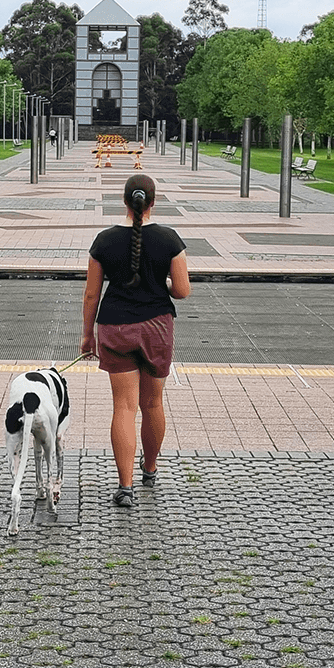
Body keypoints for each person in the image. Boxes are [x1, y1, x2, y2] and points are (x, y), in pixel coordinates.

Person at [80, 172, 191, 507]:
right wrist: (162, 286)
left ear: (124, 202)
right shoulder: (171, 240)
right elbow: (183, 291)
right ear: (153, 202)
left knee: (124, 407)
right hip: (157, 327)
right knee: (153, 403)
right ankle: (151, 468)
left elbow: (90, 295)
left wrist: (87, 336)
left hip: (114, 326)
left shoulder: (104, 241)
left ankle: (125, 487)